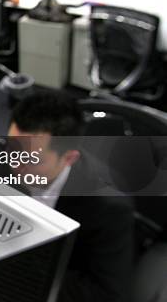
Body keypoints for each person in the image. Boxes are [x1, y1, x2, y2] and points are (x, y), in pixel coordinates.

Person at [8, 91, 134, 302]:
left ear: (69, 158)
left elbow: (105, 294)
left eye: (30, 160)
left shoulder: (108, 208)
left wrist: (22, 270)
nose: (14, 165)